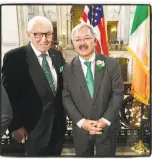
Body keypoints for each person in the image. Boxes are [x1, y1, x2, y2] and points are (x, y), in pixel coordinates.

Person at [2, 16, 66, 156]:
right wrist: (16, 126)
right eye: (37, 34)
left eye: (48, 34)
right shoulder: (15, 57)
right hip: (31, 130)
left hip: (58, 128)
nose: (44, 39)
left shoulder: (57, 55)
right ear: (28, 35)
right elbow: (9, 95)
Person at [62, 23, 124, 157]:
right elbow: (66, 97)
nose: (82, 43)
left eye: (86, 38)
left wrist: (104, 120)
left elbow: (117, 94)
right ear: (73, 43)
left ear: (95, 41)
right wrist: (81, 122)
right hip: (81, 130)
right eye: (77, 40)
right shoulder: (67, 69)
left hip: (107, 128)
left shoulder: (111, 64)